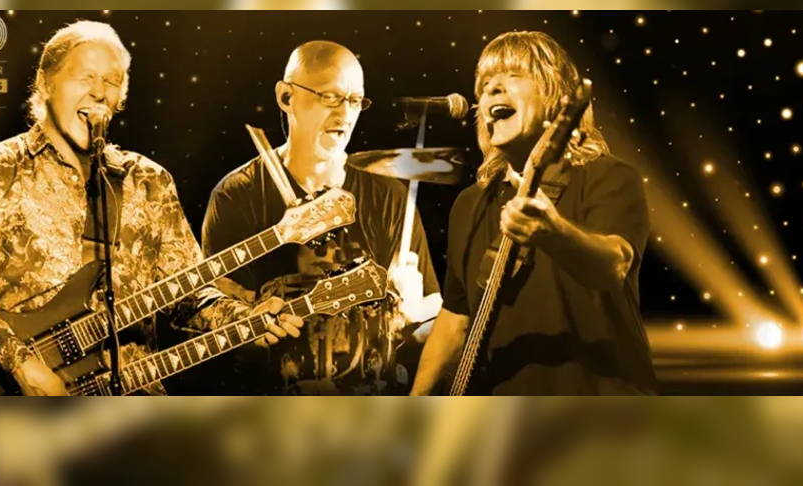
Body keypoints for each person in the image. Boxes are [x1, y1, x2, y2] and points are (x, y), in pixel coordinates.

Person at [0, 20, 297, 395]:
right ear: (46, 82)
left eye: (111, 81)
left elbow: (189, 294)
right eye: (85, 77)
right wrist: (22, 365)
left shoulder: (149, 181)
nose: (99, 92)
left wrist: (244, 319)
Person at [411, 31, 656, 395]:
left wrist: (554, 234)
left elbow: (613, 266)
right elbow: (455, 320)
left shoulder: (610, 177)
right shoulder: (469, 205)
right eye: (485, 84)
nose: (493, 88)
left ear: (555, 97)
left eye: (513, 75)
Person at [193, 40, 441, 394]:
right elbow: (214, 319)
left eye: (355, 100)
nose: (345, 115)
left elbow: (429, 326)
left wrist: (411, 313)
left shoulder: (389, 195)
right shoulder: (237, 195)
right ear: (286, 97)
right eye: (330, 97)